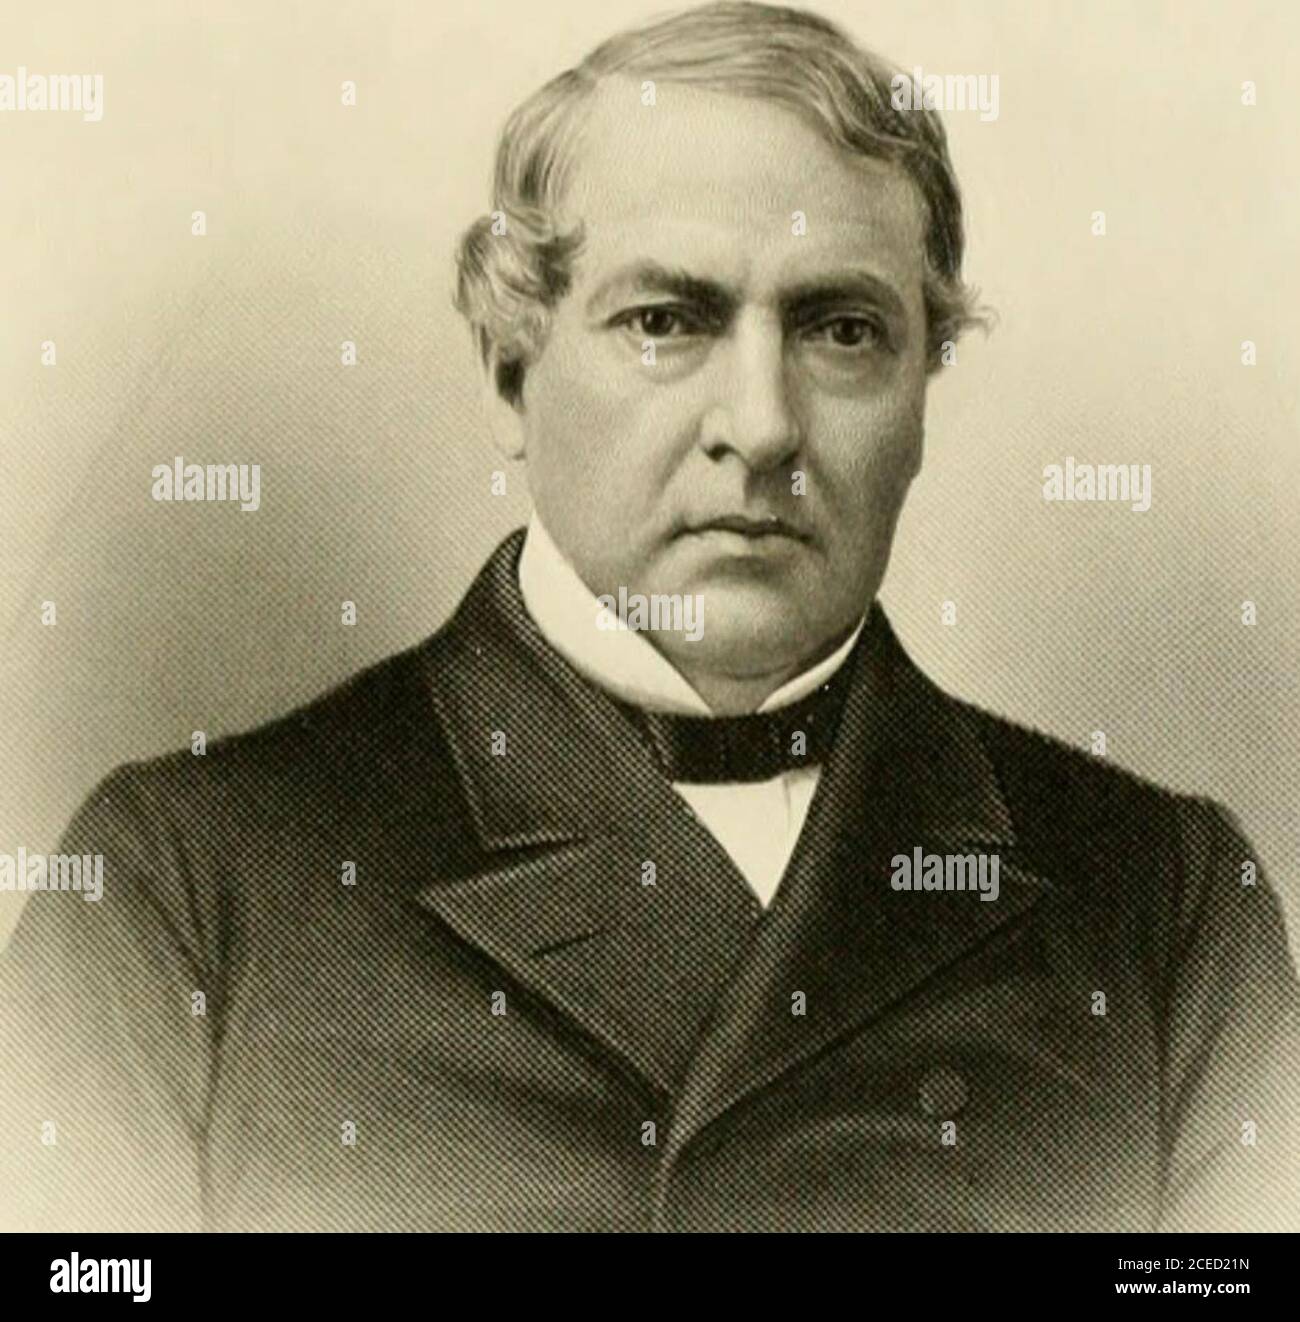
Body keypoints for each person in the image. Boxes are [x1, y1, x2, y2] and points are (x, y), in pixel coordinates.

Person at [3, 0, 1296, 1233]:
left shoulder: (1164, 908)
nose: (764, 426)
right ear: (511, 374)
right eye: (666, 321)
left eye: (843, 332)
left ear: (922, 396)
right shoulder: (183, 889)